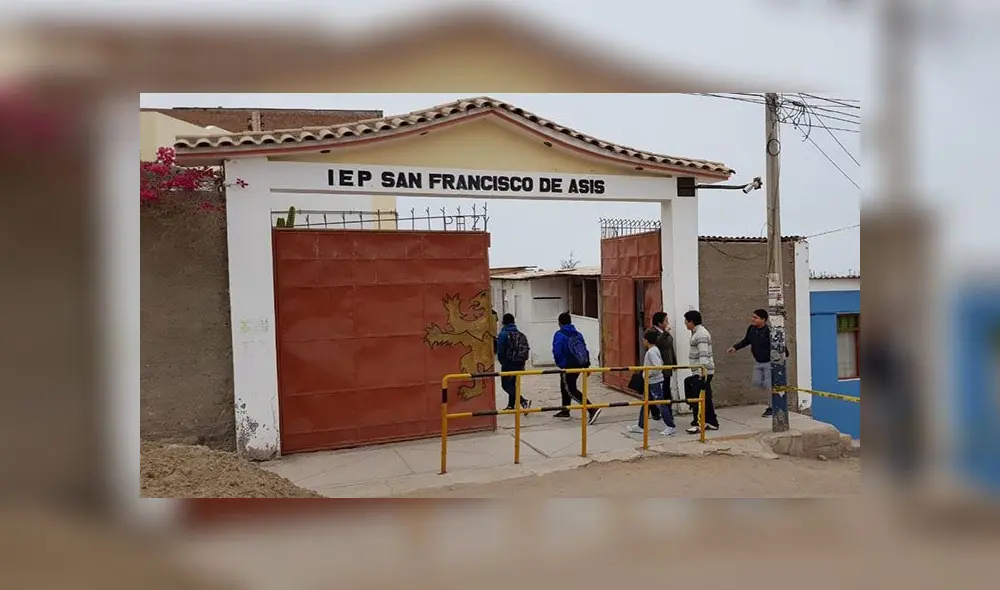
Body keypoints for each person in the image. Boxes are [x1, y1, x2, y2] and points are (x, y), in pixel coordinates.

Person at [727, 308, 789, 417]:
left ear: (763, 320)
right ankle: (772, 399)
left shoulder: (770, 331)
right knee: (757, 382)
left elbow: (780, 344)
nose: (753, 319)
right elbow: (746, 341)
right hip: (758, 361)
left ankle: (772, 408)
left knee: (769, 385)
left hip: (769, 362)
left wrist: (784, 355)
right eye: (753, 317)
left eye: (755, 318)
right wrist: (735, 348)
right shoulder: (751, 329)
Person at [551, 312, 602, 425]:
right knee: (565, 386)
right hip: (579, 364)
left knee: (570, 390)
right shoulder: (578, 334)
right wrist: (586, 365)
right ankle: (565, 410)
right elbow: (584, 348)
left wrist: (561, 364)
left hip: (568, 365)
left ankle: (591, 409)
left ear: (559, 323)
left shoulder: (560, 334)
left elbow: (557, 351)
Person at [625, 328, 676, 436]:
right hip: (651, 382)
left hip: (655, 382)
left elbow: (658, 366)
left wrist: (647, 373)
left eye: (644, 339)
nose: (643, 341)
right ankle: (641, 425)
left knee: (660, 404)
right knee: (646, 403)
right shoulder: (654, 350)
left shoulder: (651, 352)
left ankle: (670, 426)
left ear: (647, 340)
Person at [683, 310, 719, 434]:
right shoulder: (697, 333)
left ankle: (698, 423)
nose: (685, 324)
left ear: (691, 322)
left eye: (686, 321)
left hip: (702, 372)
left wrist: (700, 373)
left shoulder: (701, 335)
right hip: (701, 372)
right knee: (706, 398)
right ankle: (712, 422)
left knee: (699, 398)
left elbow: (703, 355)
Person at [496, 313, 532, 411]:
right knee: (512, 384)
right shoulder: (520, 334)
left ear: (503, 322)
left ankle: (523, 401)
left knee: (506, 385)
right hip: (519, 363)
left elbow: (500, 351)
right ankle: (511, 406)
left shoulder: (503, 334)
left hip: (508, 364)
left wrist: (503, 363)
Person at [649, 311, 678, 419]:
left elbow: (670, 347)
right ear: (659, 322)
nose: (667, 322)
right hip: (658, 366)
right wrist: (665, 333)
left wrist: (674, 362)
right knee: (655, 390)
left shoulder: (666, 333)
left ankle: (667, 411)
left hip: (667, 365)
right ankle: (656, 412)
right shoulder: (652, 332)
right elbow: (657, 343)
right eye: (665, 320)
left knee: (666, 389)